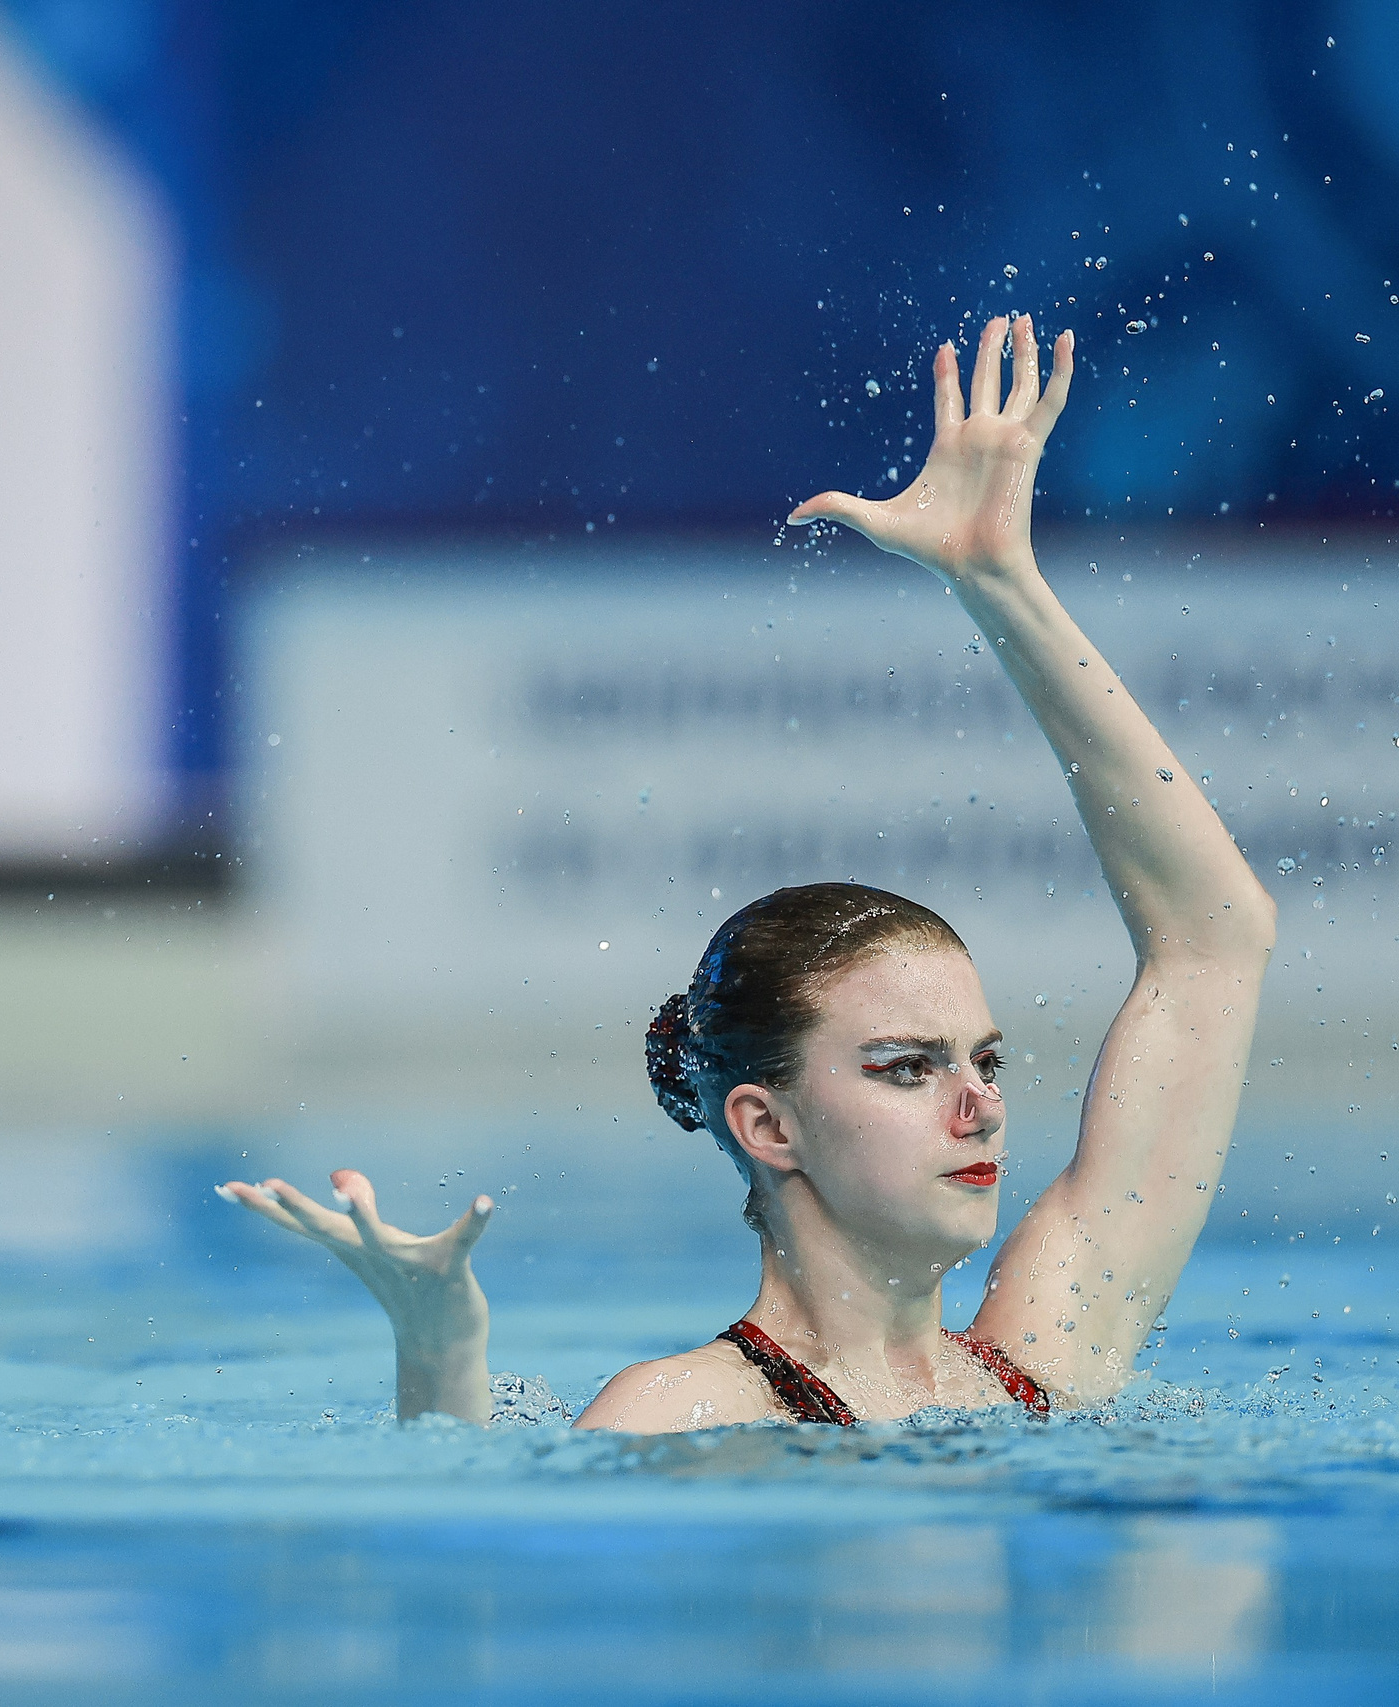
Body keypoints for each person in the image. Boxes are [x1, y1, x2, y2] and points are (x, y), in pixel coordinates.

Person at [220, 315, 1276, 1431]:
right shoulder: (684, 1412)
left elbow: (1213, 937)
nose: (981, 1109)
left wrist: (999, 581)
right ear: (768, 1126)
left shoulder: (1048, 1357)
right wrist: (442, 1363)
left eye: (986, 1060)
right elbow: (479, 1572)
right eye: (905, 1068)